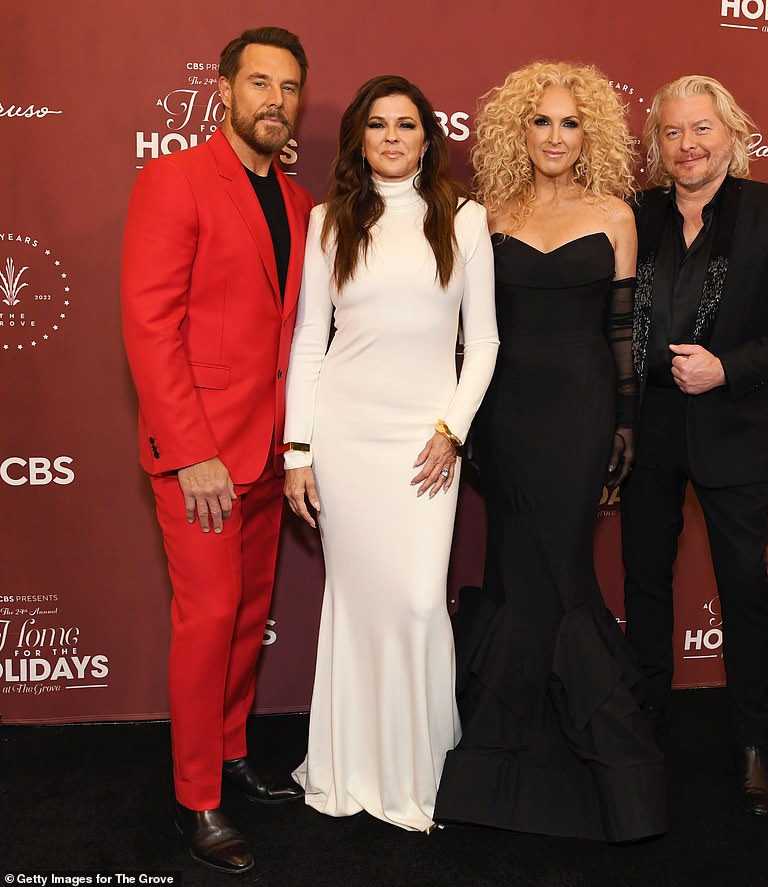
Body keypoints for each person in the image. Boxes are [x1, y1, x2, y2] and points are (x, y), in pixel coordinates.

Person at [433, 62, 667, 842]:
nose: (555, 137)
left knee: (561, 570)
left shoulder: (615, 215)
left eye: (570, 123)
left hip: (580, 411)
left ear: (589, 132)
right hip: (504, 416)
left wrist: (625, 424)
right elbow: (461, 329)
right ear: (517, 131)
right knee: (513, 565)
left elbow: (623, 330)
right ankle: (501, 765)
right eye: (541, 122)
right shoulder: (483, 214)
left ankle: (590, 769)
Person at [282, 75, 498, 833]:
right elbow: (312, 337)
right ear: (360, 138)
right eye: (378, 125)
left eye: (407, 124)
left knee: (414, 599)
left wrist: (452, 430)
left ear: (428, 136)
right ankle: (350, 764)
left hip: (425, 441)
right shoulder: (327, 219)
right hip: (344, 434)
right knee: (354, 601)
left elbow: (487, 341)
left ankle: (422, 766)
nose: (393, 137)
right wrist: (297, 449)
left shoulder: (464, 220)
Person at [121, 27, 313, 874]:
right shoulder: (174, 179)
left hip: (270, 451)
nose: (275, 99)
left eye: (290, 86)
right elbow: (150, 326)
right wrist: (190, 449)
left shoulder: (302, 201)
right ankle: (197, 797)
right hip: (200, 457)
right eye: (260, 82)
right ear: (226, 91)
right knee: (206, 624)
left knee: (243, 620)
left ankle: (233, 753)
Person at [620, 74, 768, 817]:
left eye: (702, 129)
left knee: (743, 585)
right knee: (644, 581)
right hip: (647, 429)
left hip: (733, 424)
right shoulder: (634, 213)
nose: (688, 145)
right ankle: (646, 728)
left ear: (732, 134)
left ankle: (751, 742)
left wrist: (727, 367)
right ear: (656, 144)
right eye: (672, 133)